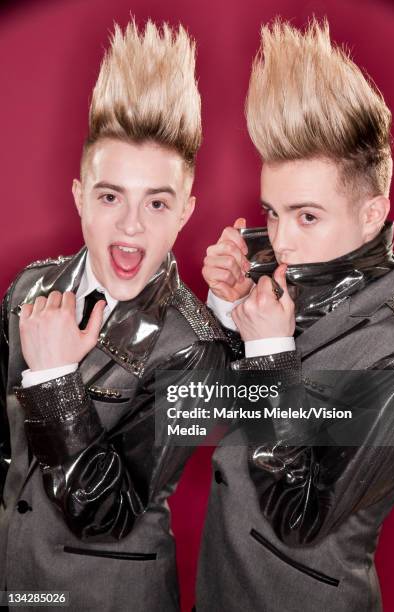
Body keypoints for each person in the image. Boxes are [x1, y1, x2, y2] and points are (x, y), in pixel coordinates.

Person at [0, 20, 229, 612]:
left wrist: (55, 383)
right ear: (79, 196)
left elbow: (112, 513)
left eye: (157, 202)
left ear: (186, 211)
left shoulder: (195, 348)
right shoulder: (29, 285)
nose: (132, 225)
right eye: (110, 197)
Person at [197, 19, 394, 612]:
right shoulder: (285, 266)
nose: (282, 241)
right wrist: (230, 312)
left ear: (372, 214)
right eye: (272, 211)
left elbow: (302, 513)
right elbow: (214, 420)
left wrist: (267, 354)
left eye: (307, 216)